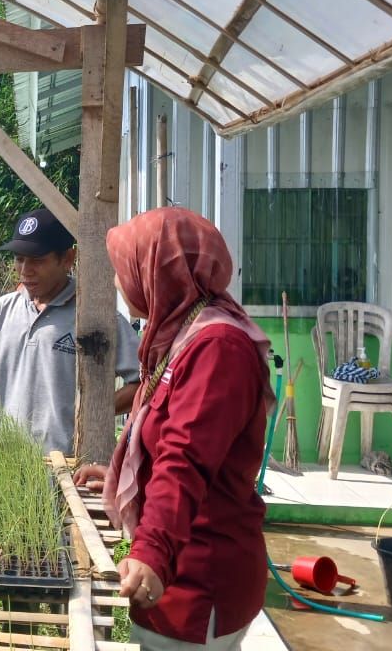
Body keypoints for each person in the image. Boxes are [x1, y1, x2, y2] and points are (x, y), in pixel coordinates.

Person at [73, 207, 274, 650]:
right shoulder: (182, 334)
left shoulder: (217, 348)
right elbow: (170, 444)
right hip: (176, 570)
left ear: (157, 273)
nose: (119, 281)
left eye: (126, 268)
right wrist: (126, 476)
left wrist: (151, 552)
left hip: (197, 580)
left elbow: (185, 460)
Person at [0, 207, 141, 454]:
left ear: (68, 259)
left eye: (37, 260)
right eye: (19, 259)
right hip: (4, 464)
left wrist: (90, 413)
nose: (25, 270)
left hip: (68, 467)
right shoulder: (2, 311)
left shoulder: (94, 318)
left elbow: (144, 383)